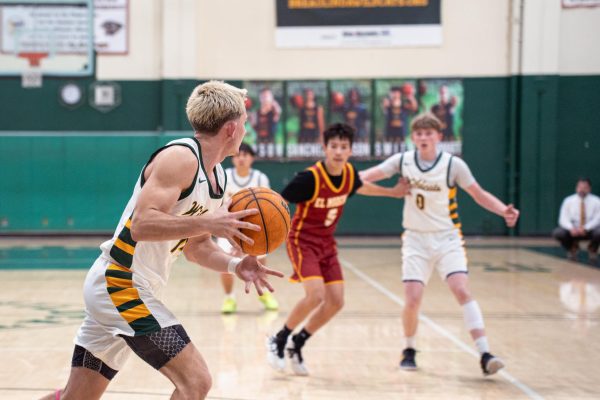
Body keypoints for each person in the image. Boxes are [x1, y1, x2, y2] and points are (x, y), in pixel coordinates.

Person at [40, 81, 284, 400]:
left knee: (76, 398)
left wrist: (236, 265)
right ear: (231, 128)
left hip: (129, 288)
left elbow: (198, 248)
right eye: (245, 124)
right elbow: (142, 223)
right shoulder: (181, 158)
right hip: (120, 283)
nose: (246, 131)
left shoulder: (219, 179)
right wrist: (208, 221)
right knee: (196, 382)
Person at [360, 113, 520, 376]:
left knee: (461, 290)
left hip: (447, 237)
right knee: (412, 298)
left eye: (429, 133)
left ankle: (485, 353)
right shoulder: (402, 161)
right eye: (419, 133)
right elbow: (364, 176)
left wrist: (504, 210)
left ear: (439, 137)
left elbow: (478, 194)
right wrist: (339, 179)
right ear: (413, 137)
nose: (423, 137)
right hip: (415, 239)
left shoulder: (453, 165)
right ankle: (409, 349)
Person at [266, 123, 407, 376]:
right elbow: (277, 203)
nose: (338, 151)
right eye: (334, 146)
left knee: (336, 302)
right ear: (325, 148)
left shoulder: (350, 175)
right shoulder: (308, 178)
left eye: (344, 147)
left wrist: (393, 193)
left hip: (327, 244)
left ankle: (297, 344)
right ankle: (279, 338)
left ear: (351, 150)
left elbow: (361, 187)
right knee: (316, 295)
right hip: (303, 241)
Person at [218, 143, 279, 313]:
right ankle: (229, 298)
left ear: (252, 158)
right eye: (238, 155)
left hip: (254, 228)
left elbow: (268, 209)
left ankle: (264, 293)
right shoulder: (224, 176)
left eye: (245, 155)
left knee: (260, 263)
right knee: (225, 262)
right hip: (228, 227)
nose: (241, 158)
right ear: (233, 158)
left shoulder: (260, 178)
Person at [552, 178, 600, 264]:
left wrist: (585, 228)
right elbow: (563, 219)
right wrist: (571, 228)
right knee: (558, 232)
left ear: (589, 188)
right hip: (573, 231)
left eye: (584, 187)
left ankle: (593, 249)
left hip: (590, 230)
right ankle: (572, 248)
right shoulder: (568, 201)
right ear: (576, 188)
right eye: (580, 187)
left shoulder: (597, 201)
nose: (582, 190)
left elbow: (598, 219)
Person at [252, 88, 281, 158]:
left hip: (270, 140)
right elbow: (253, 125)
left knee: (272, 156)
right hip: (260, 140)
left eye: (267, 96)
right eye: (263, 96)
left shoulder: (274, 112)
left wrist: (273, 104)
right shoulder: (256, 112)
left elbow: (278, 112)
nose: (265, 99)